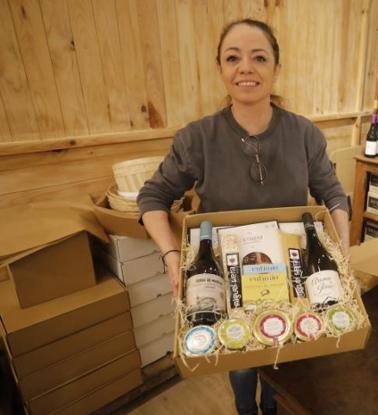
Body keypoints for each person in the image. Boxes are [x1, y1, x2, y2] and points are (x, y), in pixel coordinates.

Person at [137, 18, 350, 415]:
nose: (246, 68)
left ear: (276, 68)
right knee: (241, 358)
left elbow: (333, 193)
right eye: (233, 58)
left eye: (259, 57)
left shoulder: (305, 135)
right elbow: (152, 198)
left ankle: (273, 407)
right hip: (226, 275)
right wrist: (171, 257)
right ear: (220, 69)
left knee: (284, 356)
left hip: (293, 274)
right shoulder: (197, 138)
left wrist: (344, 253)